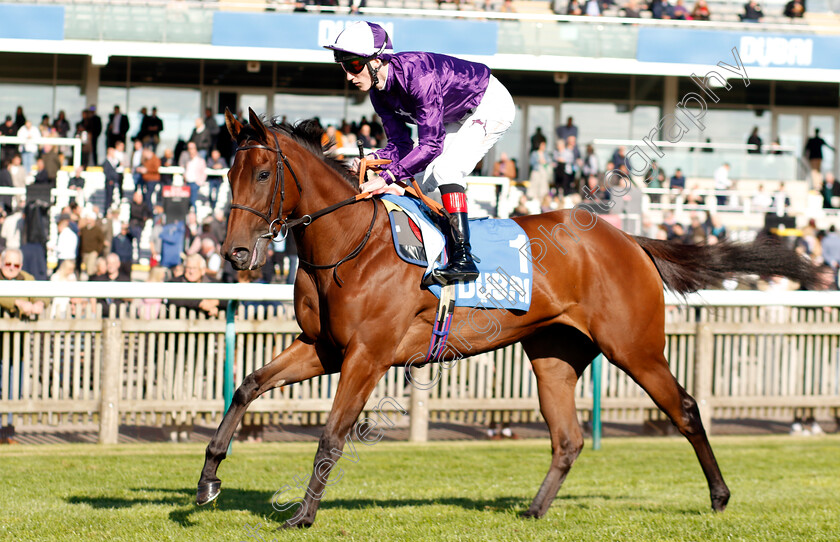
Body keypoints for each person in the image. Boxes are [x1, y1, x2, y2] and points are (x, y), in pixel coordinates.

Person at [326, 21, 515, 286]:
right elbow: (401, 146)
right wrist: (373, 160)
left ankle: (464, 259)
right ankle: (438, 255)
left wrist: (387, 177)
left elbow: (431, 145)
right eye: (344, 66)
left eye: (354, 65)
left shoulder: (418, 76)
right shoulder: (379, 94)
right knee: (425, 185)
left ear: (377, 61)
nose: (348, 75)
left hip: (489, 105)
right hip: (456, 114)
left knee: (447, 171)